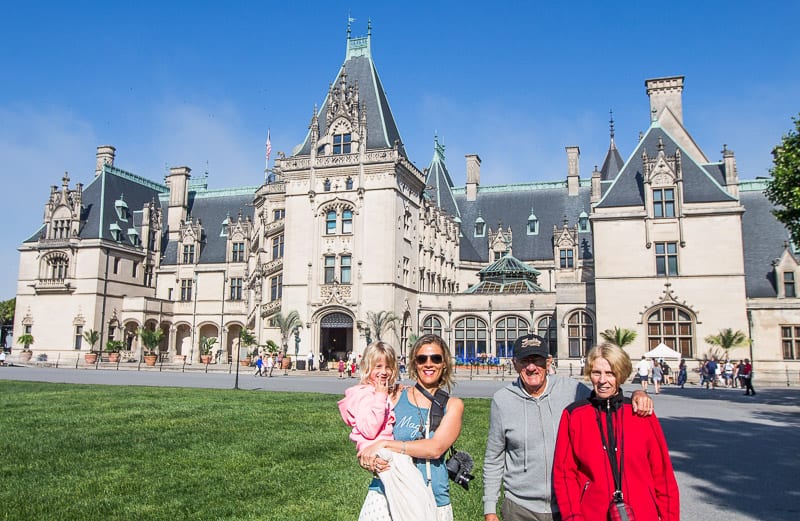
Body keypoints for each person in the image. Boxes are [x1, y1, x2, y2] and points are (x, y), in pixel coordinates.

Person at [482, 334, 653, 521]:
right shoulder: (503, 400)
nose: (531, 367)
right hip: (520, 507)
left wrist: (637, 393)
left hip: (568, 504)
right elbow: (494, 458)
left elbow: (607, 398)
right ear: (515, 364)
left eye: (537, 360)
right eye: (524, 361)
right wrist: (490, 508)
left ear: (548, 362)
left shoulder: (573, 391)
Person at [553, 344, 680, 521]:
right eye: (596, 373)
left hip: (642, 513)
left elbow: (663, 476)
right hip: (593, 514)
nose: (602, 380)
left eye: (610, 373)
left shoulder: (641, 414)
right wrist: (574, 517)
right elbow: (565, 475)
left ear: (620, 374)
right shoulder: (575, 416)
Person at [358, 334, 464, 521]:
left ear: (444, 363)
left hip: (431, 496)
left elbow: (434, 448)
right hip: (386, 493)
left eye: (436, 358)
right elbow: (369, 429)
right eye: (422, 359)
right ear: (414, 363)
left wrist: (385, 445)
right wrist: (367, 457)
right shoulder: (395, 394)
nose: (428, 364)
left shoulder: (452, 405)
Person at [339, 342, 436, 521]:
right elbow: (369, 429)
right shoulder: (365, 395)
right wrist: (381, 395)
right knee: (412, 499)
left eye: (388, 367)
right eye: (378, 366)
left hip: (386, 453)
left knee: (410, 496)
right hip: (382, 454)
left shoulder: (378, 391)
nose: (384, 371)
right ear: (366, 367)